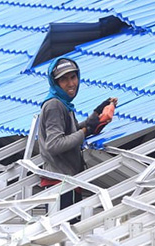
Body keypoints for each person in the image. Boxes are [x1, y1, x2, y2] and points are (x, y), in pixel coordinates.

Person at [38, 57, 116, 211]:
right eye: (64, 79)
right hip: (61, 185)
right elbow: (54, 144)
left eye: (73, 77)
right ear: (55, 83)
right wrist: (85, 131)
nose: (71, 83)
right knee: (64, 232)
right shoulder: (55, 105)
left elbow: (70, 133)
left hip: (65, 182)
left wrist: (94, 117)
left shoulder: (62, 103)